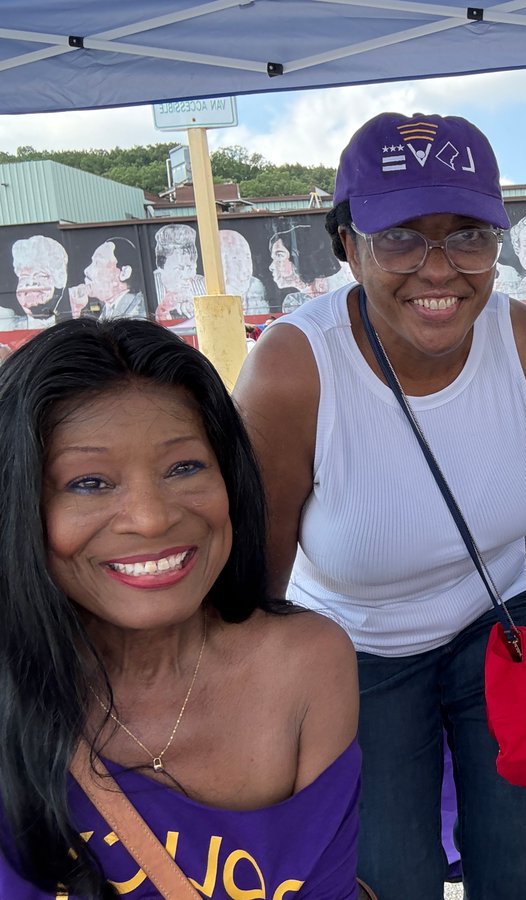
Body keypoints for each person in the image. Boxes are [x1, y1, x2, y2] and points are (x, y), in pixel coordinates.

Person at [233, 111, 526, 899]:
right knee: (388, 877)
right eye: (400, 238)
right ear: (347, 244)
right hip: (361, 656)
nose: (439, 269)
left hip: (505, 631)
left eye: (468, 236)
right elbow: (260, 566)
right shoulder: (292, 372)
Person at [0, 318, 360, 899]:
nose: (151, 517)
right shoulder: (10, 689)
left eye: (184, 467)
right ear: (21, 504)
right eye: (90, 483)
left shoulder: (307, 665)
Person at [74, 237, 147, 320]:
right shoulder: (106, 311)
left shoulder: (139, 311)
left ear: (124, 273)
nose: (86, 270)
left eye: (98, 263)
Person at [7, 235, 67, 330]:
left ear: (58, 282)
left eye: (40, 276)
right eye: (24, 277)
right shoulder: (7, 327)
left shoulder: (68, 327)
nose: (30, 283)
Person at [152, 224, 207, 323]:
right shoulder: (150, 285)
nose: (187, 276)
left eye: (190, 267)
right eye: (179, 269)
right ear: (160, 267)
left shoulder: (203, 285)